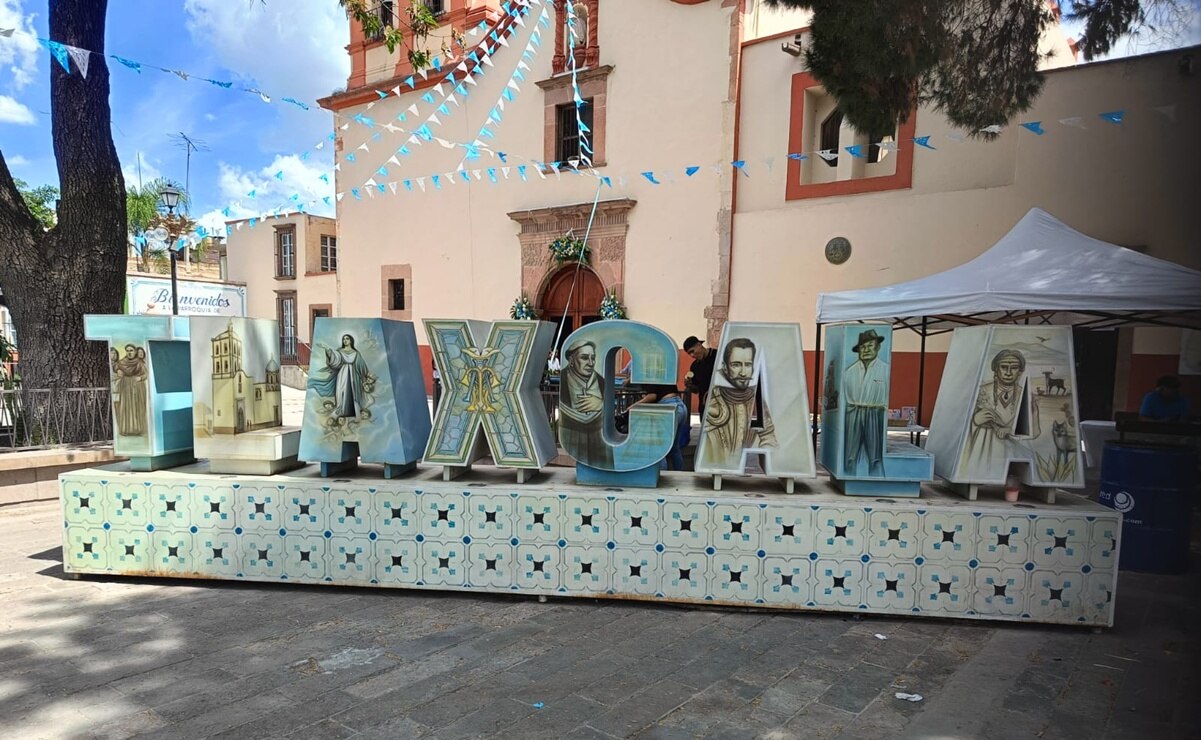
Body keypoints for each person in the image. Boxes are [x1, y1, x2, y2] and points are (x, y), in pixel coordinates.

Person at [701, 337, 776, 467]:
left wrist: (768, 453)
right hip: (717, 466)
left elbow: (768, 436)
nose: (742, 372)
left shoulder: (757, 401)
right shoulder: (714, 398)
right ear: (725, 367)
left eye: (747, 365)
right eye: (736, 364)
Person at [963, 348, 1040, 473]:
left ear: (1020, 371)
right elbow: (958, 425)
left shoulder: (1025, 396)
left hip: (1013, 454)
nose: (1008, 372)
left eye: (1014, 368)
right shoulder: (981, 392)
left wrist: (1012, 430)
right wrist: (975, 420)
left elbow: (1035, 431)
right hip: (982, 449)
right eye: (1004, 367)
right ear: (996, 369)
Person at [558, 339, 613, 467]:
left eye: (593, 358)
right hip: (571, 435)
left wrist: (601, 404)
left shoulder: (601, 381)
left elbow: (610, 409)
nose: (590, 363)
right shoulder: (563, 379)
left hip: (600, 440)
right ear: (571, 360)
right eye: (584, 358)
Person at [842, 329, 889, 476]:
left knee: (875, 456)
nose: (866, 350)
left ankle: (876, 480)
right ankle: (848, 477)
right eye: (863, 347)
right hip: (853, 412)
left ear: (878, 347)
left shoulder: (885, 370)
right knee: (849, 455)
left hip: (875, 413)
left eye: (870, 345)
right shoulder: (849, 372)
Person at [313, 333, 376, 419]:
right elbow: (334, 361)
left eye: (347, 339)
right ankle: (341, 410)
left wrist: (367, 376)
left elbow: (361, 366)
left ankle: (353, 411)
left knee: (353, 391)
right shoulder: (340, 351)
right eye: (344, 339)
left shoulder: (356, 353)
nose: (345, 340)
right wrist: (328, 350)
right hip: (342, 374)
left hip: (354, 375)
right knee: (341, 390)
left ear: (351, 341)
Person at [629, 384, 689, 470]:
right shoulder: (665, 373)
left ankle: (662, 474)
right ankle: (680, 472)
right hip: (680, 405)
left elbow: (652, 396)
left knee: (660, 447)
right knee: (674, 448)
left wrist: (634, 406)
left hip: (668, 406)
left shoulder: (652, 376)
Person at [112, 344, 148, 436]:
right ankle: (125, 430)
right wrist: (117, 370)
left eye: (131, 350)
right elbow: (116, 366)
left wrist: (140, 378)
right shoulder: (121, 362)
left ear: (135, 352)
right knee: (125, 407)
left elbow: (145, 374)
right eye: (127, 350)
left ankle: (139, 430)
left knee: (138, 407)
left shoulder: (139, 363)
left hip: (138, 387)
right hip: (125, 387)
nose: (129, 352)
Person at [683, 336, 716, 412]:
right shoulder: (695, 366)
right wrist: (690, 385)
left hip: (721, 405)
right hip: (704, 408)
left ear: (699, 345)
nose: (692, 355)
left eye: (692, 351)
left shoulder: (717, 356)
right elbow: (696, 390)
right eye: (689, 354)